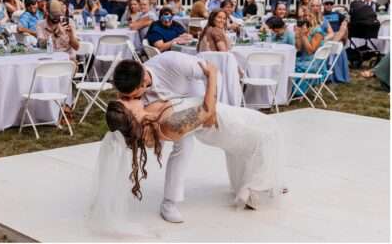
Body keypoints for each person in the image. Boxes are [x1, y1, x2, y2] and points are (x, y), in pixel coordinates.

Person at [103, 54, 285, 224]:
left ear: (143, 83)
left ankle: (264, 182)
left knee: (255, 138)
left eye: (129, 97)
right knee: (186, 145)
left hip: (208, 111)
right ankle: (170, 202)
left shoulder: (171, 63)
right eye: (125, 99)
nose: (125, 99)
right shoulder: (137, 99)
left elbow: (211, 71)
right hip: (190, 118)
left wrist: (211, 108)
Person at [294, 12, 326, 93]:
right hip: (304, 59)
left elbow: (310, 51)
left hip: (315, 63)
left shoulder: (317, 31)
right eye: (305, 16)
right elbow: (299, 48)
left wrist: (304, 35)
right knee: (288, 63)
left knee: (293, 66)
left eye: (310, 15)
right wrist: (298, 35)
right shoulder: (305, 29)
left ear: (315, 17)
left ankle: (297, 91)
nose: (307, 18)